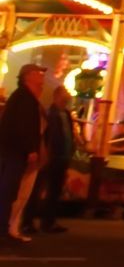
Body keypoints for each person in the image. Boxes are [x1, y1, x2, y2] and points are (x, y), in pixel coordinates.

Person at [0, 65, 46, 247]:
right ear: (28, 76)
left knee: (9, 190)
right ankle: (2, 229)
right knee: (8, 190)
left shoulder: (23, 97)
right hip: (15, 152)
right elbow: (22, 126)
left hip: (13, 150)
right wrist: (30, 149)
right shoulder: (24, 98)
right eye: (38, 73)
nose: (41, 77)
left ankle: (5, 227)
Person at [29, 82, 76, 234]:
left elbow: (67, 135)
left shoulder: (66, 114)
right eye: (65, 92)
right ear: (57, 96)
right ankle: (28, 221)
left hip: (62, 157)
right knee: (39, 189)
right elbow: (49, 136)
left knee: (55, 190)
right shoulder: (51, 113)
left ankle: (48, 222)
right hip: (51, 156)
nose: (68, 94)